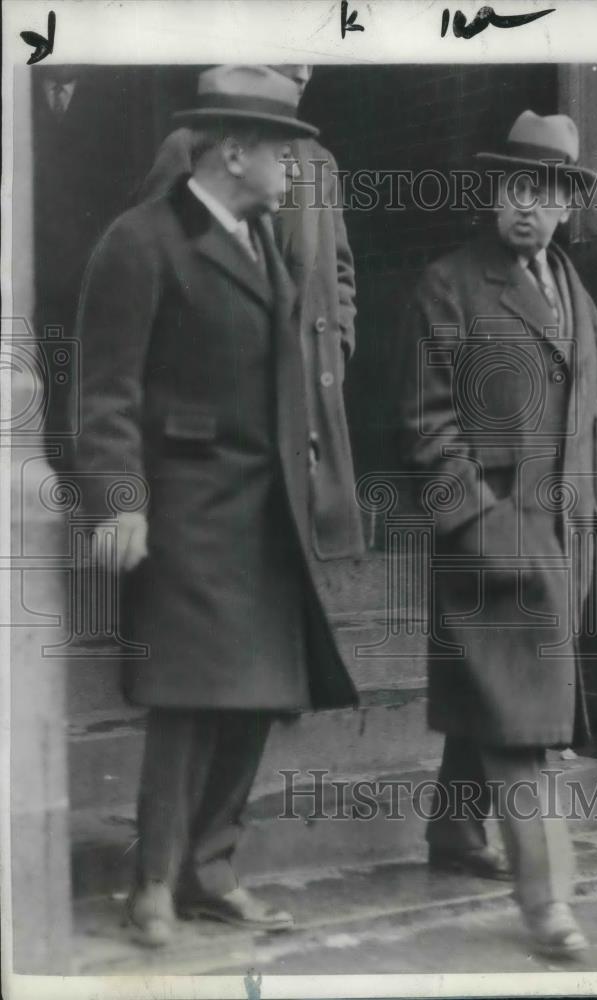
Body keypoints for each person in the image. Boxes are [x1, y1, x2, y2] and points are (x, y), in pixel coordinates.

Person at [73, 65, 361, 948]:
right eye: (283, 150)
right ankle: (152, 885)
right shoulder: (141, 240)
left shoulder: (264, 243)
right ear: (234, 151)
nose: (294, 167)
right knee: (187, 699)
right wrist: (121, 502)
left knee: (260, 694)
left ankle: (211, 870)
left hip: (269, 509)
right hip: (188, 508)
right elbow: (104, 391)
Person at [398, 111, 597, 958]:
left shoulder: (580, 297)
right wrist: (481, 526)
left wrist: (593, 524)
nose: (529, 205)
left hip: (563, 533)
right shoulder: (448, 284)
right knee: (526, 726)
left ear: (568, 205)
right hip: (486, 533)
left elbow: (592, 423)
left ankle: (455, 836)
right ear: (495, 193)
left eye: (548, 191)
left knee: (494, 690)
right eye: (515, 188)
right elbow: (426, 427)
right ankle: (548, 903)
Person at [138, 64, 364, 560]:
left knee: (301, 560)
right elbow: (157, 268)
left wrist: (335, 347)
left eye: (311, 57)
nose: (304, 71)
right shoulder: (190, 144)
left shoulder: (320, 161)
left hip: (305, 396)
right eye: (290, 54)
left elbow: (339, 270)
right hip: (225, 403)